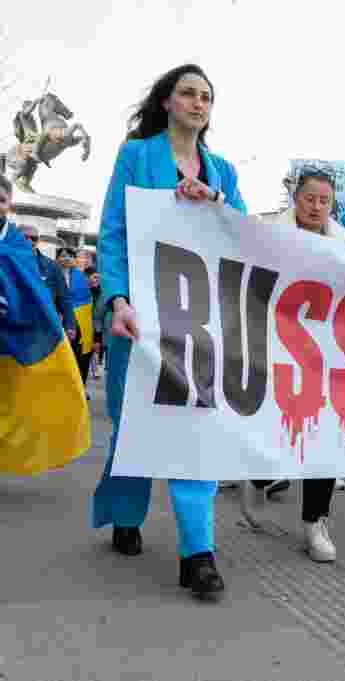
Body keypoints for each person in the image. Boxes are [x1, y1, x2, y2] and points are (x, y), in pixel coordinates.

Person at [92, 64, 245, 600]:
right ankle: (125, 511)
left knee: (193, 430)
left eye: (207, 95)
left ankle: (197, 553)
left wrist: (216, 203)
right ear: (166, 102)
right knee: (132, 425)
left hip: (195, 321)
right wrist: (117, 299)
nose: (199, 103)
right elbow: (112, 232)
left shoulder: (223, 170)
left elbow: (241, 233)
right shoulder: (136, 156)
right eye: (188, 93)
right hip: (136, 317)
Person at [246, 167, 345, 562]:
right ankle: (259, 477)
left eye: (324, 201)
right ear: (295, 199)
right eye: (309, 198)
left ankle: (315, 522)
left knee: (324, 436)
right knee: (278, 430)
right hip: (277, 346)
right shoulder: (265, 233)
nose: (316, 206)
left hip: (329, 351)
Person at [17, 224, 76, 342]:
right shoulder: (5, 262)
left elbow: (64, 298)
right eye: (25, 237)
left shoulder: (52, 266)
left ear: (37, 241)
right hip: (14, 327)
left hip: (44, 328)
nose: (29, 241)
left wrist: (70, 325)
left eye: (34, 238)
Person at [56, 247, 94, 391]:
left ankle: (79, 388)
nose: (66, 258)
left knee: (81, 358)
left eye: (69, 256)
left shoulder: (81, 276)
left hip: (81, 323)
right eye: (62, 256)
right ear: (57, 259)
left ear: (74, 259)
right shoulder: (52, 274)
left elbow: (89, 298)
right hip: (59, 321)